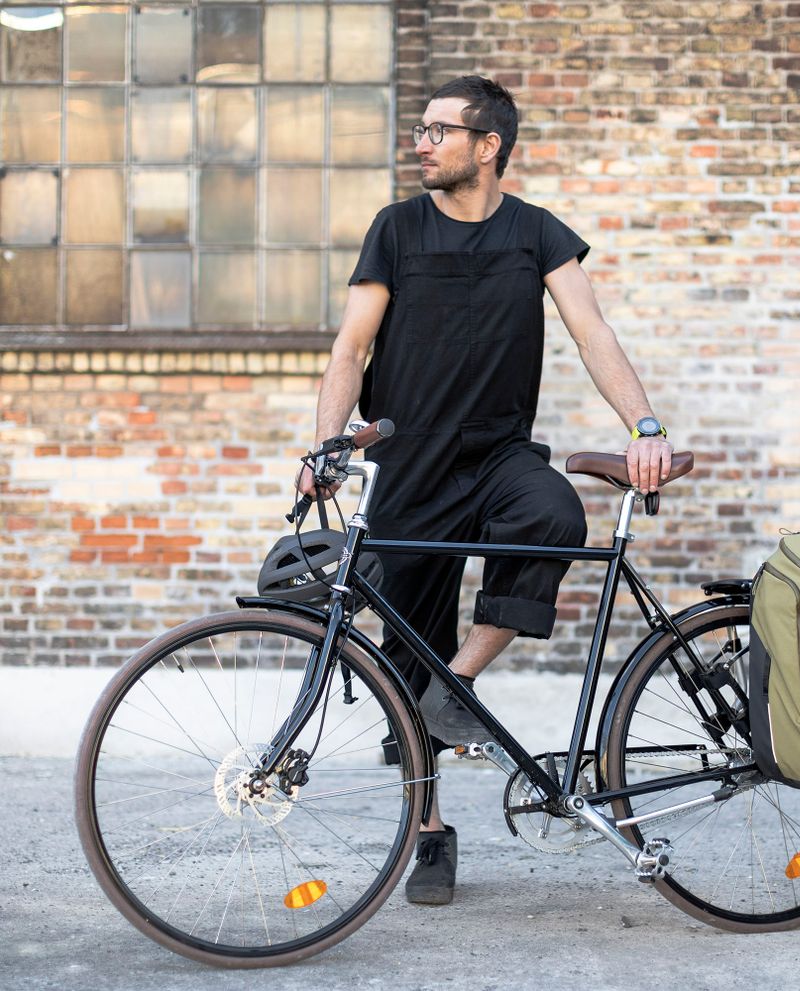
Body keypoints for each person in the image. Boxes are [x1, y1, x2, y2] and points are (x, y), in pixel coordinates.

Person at [297, 76, 672, 906]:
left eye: (439, 130)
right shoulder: (395, 230)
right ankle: (429, 833)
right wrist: (328, 443)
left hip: (497, 453)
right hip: (409, 466)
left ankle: (456, 684)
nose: (421, 142)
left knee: (551, 511)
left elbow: (592, 332)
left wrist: (645, 427)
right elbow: (349, 350)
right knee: (403, 660)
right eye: (422, 128)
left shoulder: (537, 235)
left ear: (487, 145)